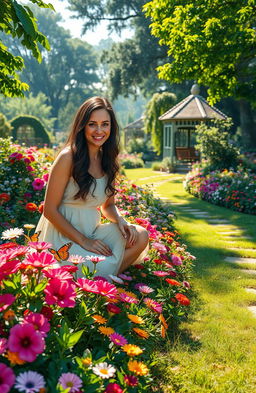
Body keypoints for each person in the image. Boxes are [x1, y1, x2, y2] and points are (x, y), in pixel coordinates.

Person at [36, 96, 149, 278]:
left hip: (92, 232)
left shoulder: (108, 160)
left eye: (105, 124)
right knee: (96, 268)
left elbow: (108, 206)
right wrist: (84, 241)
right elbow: (49, 210)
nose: (99, 130)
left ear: (111, 127)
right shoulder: (68, 157)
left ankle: (102, 275)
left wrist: (121, 221)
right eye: (92, 124)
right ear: (82, 126)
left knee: (140, 235)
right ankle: (104, 277)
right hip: (62, 238)